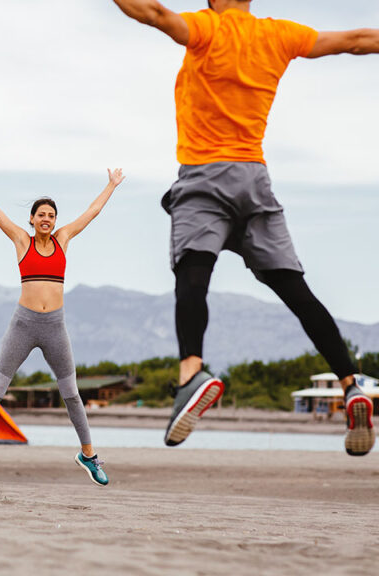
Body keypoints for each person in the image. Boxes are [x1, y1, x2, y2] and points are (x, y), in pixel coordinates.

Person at [111, 0, 379, 455]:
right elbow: (355, 41)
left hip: (204, 176)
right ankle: (351, 384)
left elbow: (154, 13)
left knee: (192, 274)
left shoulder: (206, 28)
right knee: (297, 292)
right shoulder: (279, 34)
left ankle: (192, 373)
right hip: (255, 179)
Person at [0, 162, 125, 485]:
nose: (46, 219)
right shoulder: (20, 240)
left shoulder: (64, 238)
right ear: (31, 219)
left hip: (55, 326)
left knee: (71, 393)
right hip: (23, 325)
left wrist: (111, 184)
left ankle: (88, 455)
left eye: (51, 216)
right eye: (41, 214)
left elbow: (92, 212)